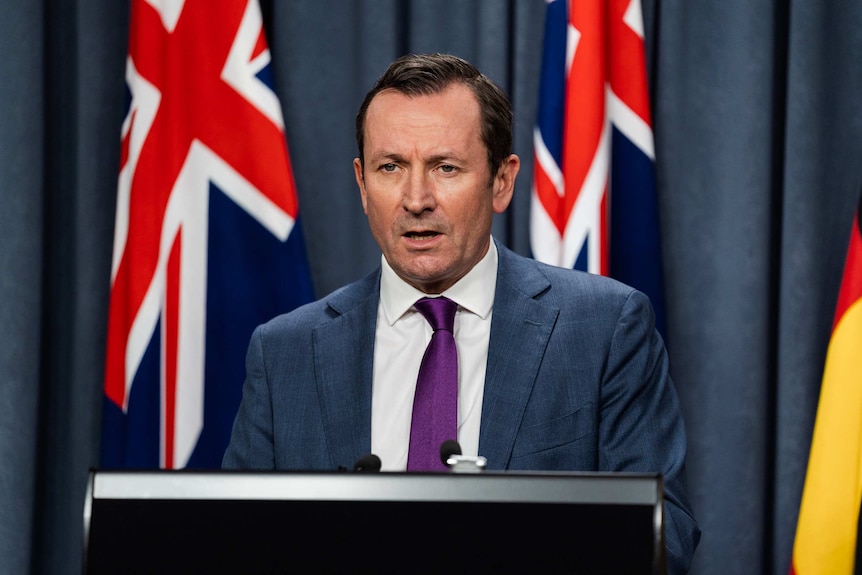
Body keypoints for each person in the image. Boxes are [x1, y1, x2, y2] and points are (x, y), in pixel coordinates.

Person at [223, 53, 700, 572]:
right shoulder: (284, 353)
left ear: (502, 180)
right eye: (391, 167)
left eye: (445, 167)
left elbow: (663, 541)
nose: (416, 198)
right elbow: (236, 545)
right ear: (362, 184)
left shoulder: (605, 329)